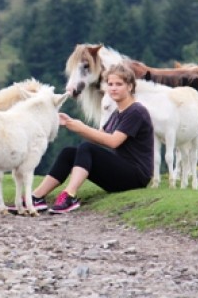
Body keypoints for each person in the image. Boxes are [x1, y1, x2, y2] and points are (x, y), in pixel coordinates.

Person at [31, 62, 154, 214]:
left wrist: (80, 127)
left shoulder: (136, 111)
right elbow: (100, 136)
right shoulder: (118, 113)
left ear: (129, 87)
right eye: (110, 84)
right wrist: (70, 123)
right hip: (121, 172)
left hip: (136, 177)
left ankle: (69, 195)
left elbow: (113, 142)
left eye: (119, 84)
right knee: (69, 153)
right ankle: (36, 197)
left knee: (86, 148)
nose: (113, 88)